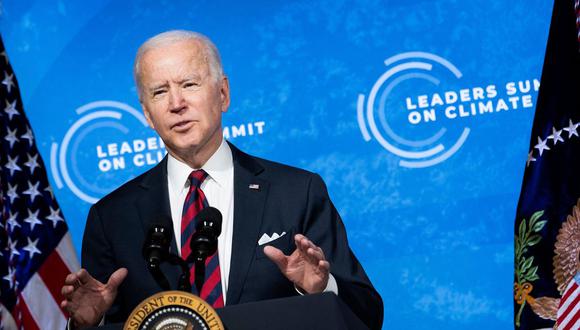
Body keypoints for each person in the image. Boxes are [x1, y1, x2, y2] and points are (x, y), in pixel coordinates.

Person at [60, 30, 383, 329]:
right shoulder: (112, 217)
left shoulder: (296, 192)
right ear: (147, 114)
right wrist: (88, 324)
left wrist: (319, 288)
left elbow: (367, 314)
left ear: (223, 93)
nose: (176, 104)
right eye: (160, 92)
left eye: (189, 84)